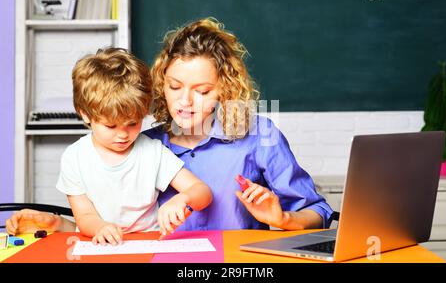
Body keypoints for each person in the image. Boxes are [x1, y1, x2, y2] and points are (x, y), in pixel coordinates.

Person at [7, 18, 333, 234]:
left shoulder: (259, 136)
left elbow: (318, 211)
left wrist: (283, 219)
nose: (185, 102)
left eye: (202, 91)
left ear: (225, 88)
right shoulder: (139, 143)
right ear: (161, 82)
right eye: (175, 86)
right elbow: (115, 227)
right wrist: (57, 224)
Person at [6, 48, 212, 245]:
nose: (123, 134)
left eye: (132, 123)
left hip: (149, 244)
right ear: (85, 114)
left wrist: (183, 198)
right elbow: (85, 216)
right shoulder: (75, 157)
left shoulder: (152, 152)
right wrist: (101, 227)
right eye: (110, 125)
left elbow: (202, 191)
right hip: (100, 244)